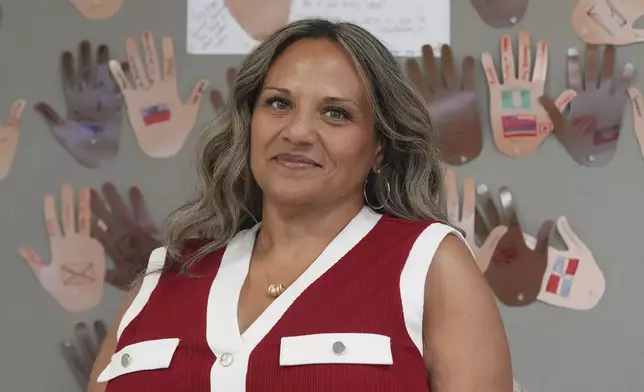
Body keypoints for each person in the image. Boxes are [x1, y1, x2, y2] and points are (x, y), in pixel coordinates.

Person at [87, 18, 512, 392]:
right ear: (248, 122)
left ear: (380, 146)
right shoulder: (164, 277)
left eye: (335, 113)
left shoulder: (430, 264)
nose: (298, 131)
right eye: (279, 103)